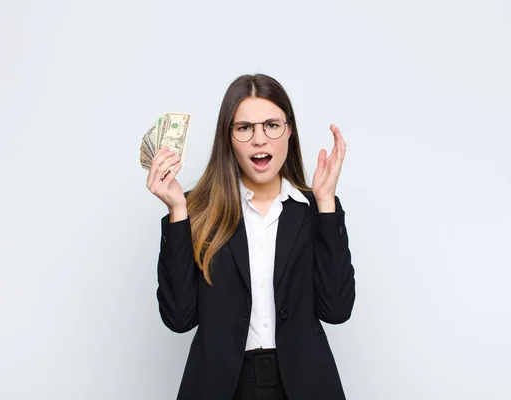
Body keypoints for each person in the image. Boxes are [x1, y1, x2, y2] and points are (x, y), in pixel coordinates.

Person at [146, 73, 356, 400]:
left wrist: (326, 202)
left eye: (272, 125)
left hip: (303, 385)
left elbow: (337, 310)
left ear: (289, 132)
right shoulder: (197, 209)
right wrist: (177, 211)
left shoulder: (313, 209)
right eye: (245, 128)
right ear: (228, 138)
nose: (260, 139)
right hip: (223, 386)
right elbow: (178, 318)